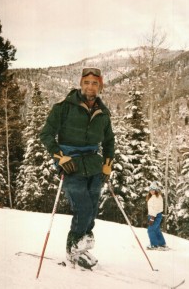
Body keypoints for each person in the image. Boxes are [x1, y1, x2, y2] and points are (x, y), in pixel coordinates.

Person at [40, 67, 115, 268]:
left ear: (100, 86)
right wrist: (60, 157)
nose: (90, 87)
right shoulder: (64, 107)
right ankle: (74, 246)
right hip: (70, 163)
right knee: (82, 207)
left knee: (92, 209)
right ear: (81, 84)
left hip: (94, 164)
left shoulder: (103, 113)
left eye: (95, 83)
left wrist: (107, 164)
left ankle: (81, 245)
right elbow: (46, 134)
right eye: (87, 83)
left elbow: (109, 140)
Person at [146, 181, 168, 250]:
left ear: (156, 190)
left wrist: (152, 218)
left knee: (151, 230)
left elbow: (156, 208)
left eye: (153, 189)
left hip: (155, 216)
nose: (152, 191)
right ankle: (162, 244)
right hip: (154, 215)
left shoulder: (157, 197)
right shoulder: (153, 197)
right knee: (156, 230)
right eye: (151, 189)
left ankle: (154, 245)